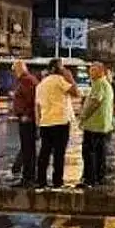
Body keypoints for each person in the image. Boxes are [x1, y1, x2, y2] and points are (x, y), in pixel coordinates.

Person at [36, 58, 79, 188]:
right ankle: (57, 181)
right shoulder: (60, 80)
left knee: (44, 152)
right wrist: (70, 77)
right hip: (60, 122)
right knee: (59, 154)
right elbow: (76, 93)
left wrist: (39, 121)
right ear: (56, 68)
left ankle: (41, 180)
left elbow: (37, 105)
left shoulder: (41, 84)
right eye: (62, 67)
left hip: (45, 122)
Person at [79, 62, 115, 187]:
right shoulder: (106, 84)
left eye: (93, 70)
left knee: (89, 153)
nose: (90, 73)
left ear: (101, 71)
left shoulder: (99, 84)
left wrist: (83, 117)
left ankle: (90, 179)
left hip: (94, 125)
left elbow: (94, 102)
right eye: (90, 70)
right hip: (103, 126)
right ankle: (99, 178)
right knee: (100, 153)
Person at [10, 60, 39, 187]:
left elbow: (33, 100)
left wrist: (27, 115)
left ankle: (28, 179)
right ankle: (28, 177)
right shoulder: (26, 80)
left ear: (20, 69)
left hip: (27, 120)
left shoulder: (27, 81)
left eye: (14, 70)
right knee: (28, 149)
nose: (13, 73)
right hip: (26, 119)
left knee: (28, 150)